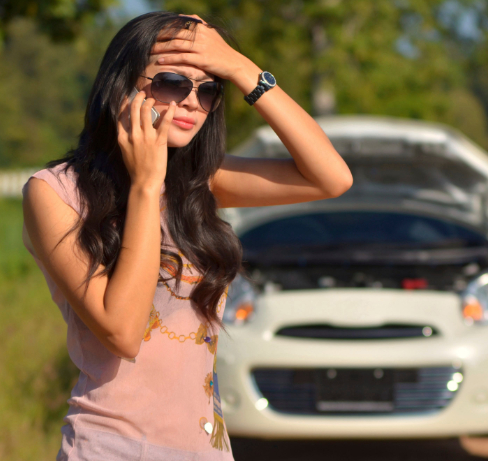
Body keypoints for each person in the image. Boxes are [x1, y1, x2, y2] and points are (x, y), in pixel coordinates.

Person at [21, 11, 352, 461]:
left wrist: (241, 69)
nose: (193, 102)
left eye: (208, 89)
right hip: (111, 447)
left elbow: (331, 178)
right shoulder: (56, 193)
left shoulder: (199, 182)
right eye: (173, 82)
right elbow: (122, 332)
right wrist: (144, 185)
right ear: (120, 85)